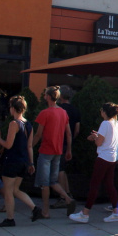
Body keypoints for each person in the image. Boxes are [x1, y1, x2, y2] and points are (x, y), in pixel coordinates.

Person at [0, 95, 43, 226]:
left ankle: (10, 219)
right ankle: (34, 208)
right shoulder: (28, 124)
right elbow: (30, 146)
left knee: (8, 191)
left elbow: (8, 145)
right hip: (23, 161)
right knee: (15, 189)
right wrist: (31, 163)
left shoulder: (14, 124)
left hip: (11, 160)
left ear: (13, 108)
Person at [70, 102, 118, 223]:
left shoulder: (105, 123)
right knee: (110, 185)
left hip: (103, 157)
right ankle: (116, 212)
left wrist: (95, 137)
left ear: (104, 112)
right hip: (113, 157)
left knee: (94, 185)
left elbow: (99, 143)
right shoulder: (116, 123)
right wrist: (98, 136)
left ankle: (85, 213)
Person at [33, 86, 76, 218]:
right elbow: (68, 133)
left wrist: (29, 146)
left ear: (48, 97)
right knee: (53, 181)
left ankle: (45, 211)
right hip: (58, 151)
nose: (44, 96)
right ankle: (68, 199)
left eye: (45, 94)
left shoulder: (44, 113)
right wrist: (68, 149)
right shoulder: (63, 112)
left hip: (46, 150)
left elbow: (38, 134)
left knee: (44, 184)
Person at [55, 85, 80, 208]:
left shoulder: (58, 109)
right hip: (68, 143)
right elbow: (76, 129)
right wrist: (71, 141)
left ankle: (63, 197)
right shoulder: (75, 110)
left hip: (58, 142)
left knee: (59, 170)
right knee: (62, 169)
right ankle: (67, 193)